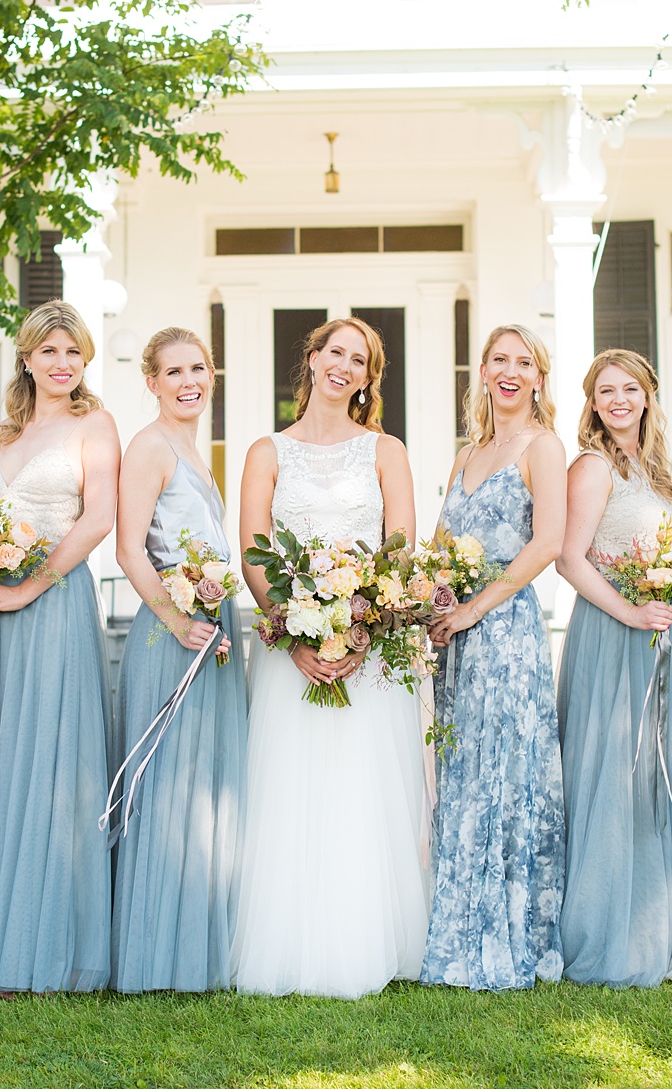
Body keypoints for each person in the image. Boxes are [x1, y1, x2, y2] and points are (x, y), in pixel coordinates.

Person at [231, 316, 430, 999]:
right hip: (295, 654)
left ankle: (368, 940)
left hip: (366, 651)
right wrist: (292, 633)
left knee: (362, 790)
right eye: (335, 352)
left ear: (369, 379)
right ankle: (291, 943)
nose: (344, 366)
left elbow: (399, 545)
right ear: (311, 360)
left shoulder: (384, 449)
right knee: (292, 790)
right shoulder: (267, 451)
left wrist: (362, 625)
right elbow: (254, 552)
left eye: (360, 360)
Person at [0, 300, 121, 993]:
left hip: (54, 604)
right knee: (1, 760)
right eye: (49, 351)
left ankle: (51, 948)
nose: (62, 364)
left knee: (50, 765)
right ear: (27, 358)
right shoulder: (6, 435)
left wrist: (27, 586)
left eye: (73, 352)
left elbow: (99, 517)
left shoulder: (94, 425)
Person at [554, 348, 672, 988]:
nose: (619, 399)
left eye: (630, 388)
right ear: (593, 404)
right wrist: (629, 611)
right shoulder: (591, 467)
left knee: (654, 776)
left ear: (648, 396)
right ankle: (603, 930)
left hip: (656, 636)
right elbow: (569, 558)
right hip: (613, 634)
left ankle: (653, 920)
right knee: (614, 774)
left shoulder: (657, 473)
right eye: (605, 391)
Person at [422, 324, 568, 991]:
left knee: (507, 773)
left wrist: (477, 607)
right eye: (499, 360)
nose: (510, 372)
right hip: (456, 634)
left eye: (524, 362)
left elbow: (547, 545)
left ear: (539, 376)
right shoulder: (467, 452)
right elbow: (439, 543)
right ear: (481, 371)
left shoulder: (543, 446)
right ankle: (454, 923)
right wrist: (435, 599)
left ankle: (511, 930)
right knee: (463, 770)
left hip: (506, 630)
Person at [109, 326, 249, 993]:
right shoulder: (148, 447)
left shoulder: (191, 446)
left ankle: (195, 943)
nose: (189, 380)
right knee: (167, 788)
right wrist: (175, 616)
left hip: (210, 625)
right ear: (152, 381)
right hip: (172, 633)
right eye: (174, 371)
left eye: (199, 368)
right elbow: (130, 549)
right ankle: (156, 955)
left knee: (203, 789)